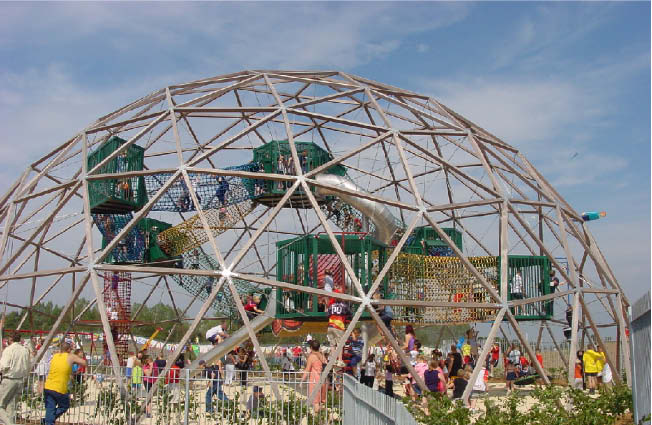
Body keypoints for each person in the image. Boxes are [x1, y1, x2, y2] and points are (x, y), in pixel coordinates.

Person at [42, 342, 87, 425]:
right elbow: (84, 363)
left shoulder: (55, 356)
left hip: (48, 385)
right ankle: (48, 420)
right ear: (69, 349)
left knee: (50, 408)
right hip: (59, 388)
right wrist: (78, 358)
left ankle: (48, 421)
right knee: (64, 406)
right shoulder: (70, 356)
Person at [0, 332, 31, 425]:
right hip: (20, 380)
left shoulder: (9, 349)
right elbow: (28, 366)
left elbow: (4, 366)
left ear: (10, 339)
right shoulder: (25, 350)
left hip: (9, 379)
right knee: (12, 406)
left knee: (1, 405)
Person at [302, 340, 327, 413]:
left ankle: (316, 418)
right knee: (322, 402)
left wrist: (302, 380)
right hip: (323, 380)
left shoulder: (312, 357)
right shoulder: (322, 356)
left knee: (315, 402)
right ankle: (323, 417)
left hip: (314, 380)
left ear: (311, 347)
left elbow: (307, 370)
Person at [327, 297, 350, 367]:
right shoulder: (344, 306)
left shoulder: (331, 306)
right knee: (340, 344)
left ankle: (333, 360)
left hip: (330, 326)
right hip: (339, 326)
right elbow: (349, 314)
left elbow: (328, 315)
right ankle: (340, 360)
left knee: (332, 344)